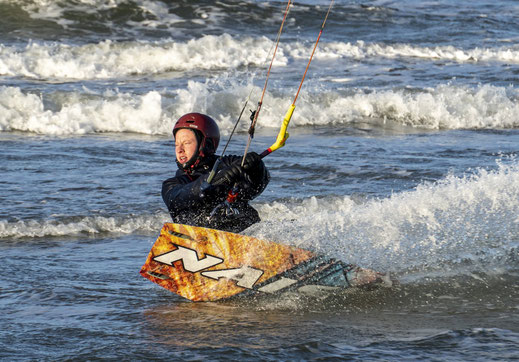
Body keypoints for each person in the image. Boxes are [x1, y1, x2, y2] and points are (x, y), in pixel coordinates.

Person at [162, 112, 270, 233]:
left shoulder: (228, 163)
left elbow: (254, 188)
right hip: (195, 239)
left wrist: (257, 169)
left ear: (206, 144)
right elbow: (184, 196)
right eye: (176, 144)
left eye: (186, 143)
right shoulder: (172, 184)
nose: (180, 150)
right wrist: (218, 179)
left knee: (247, 213)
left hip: (238, 236)